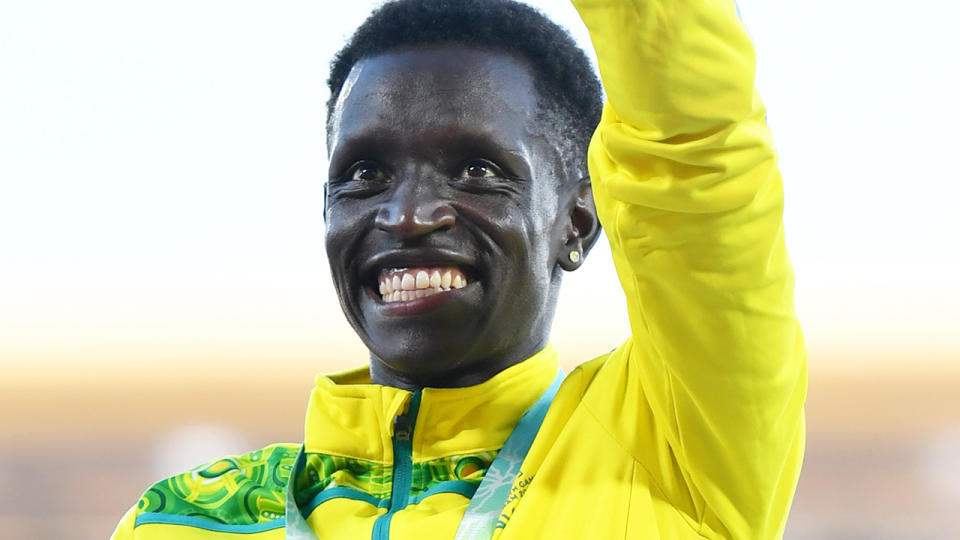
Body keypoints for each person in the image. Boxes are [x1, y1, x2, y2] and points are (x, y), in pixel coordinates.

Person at [112, 0, 806, 538]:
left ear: (579, 221)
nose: (407, 215)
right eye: (365, 173)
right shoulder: (184, 520)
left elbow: (695, 159)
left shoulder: (673, 455)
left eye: (477, 171)